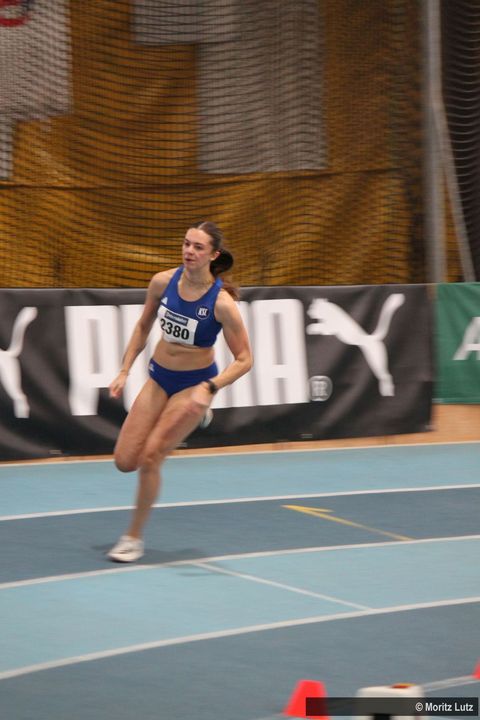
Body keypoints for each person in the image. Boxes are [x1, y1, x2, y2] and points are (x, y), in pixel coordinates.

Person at [107, 221, 253, 562]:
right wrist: (124, 370)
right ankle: (196, 415)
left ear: (213, 255)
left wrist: (210, 387)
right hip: (159, 379)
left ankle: (132, 538)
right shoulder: (162, 281)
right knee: (124, 461)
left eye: (198, 247)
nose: (189, 251)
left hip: (194, 385)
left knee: (150, 457)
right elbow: (143, 325)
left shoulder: (222, 303)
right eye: (187, 243)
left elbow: (245, 359)